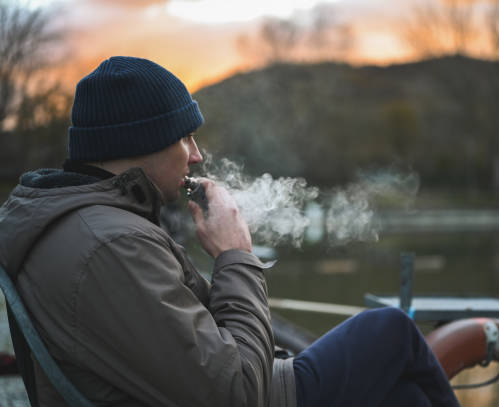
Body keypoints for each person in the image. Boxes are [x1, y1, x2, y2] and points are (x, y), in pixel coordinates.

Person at [0, 56, 460, 407]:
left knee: (405, 396)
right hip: (254, 393)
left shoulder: (84, 225)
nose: (196, 155)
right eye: (184, 138)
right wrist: (235, 254)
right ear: (139, 144)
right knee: (391, 330)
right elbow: (237, 391)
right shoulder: (109, 243)